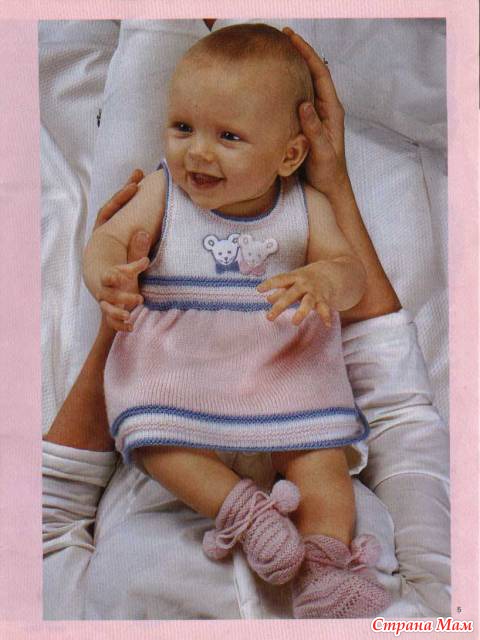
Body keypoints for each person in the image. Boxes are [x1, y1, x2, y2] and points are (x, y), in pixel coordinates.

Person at [44, 24, 449, 620]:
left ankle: (324, 562)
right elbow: (106, 240)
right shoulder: (162, 192)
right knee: (156, 443)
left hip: (283, 378)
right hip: (181, 380)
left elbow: (350, 276)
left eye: (228, 136)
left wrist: (325, 278)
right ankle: (244, 512)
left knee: (323, 462)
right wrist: (109, 275)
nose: (197, 152)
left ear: (289, 155)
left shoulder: (305, 207)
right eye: (182, 128)